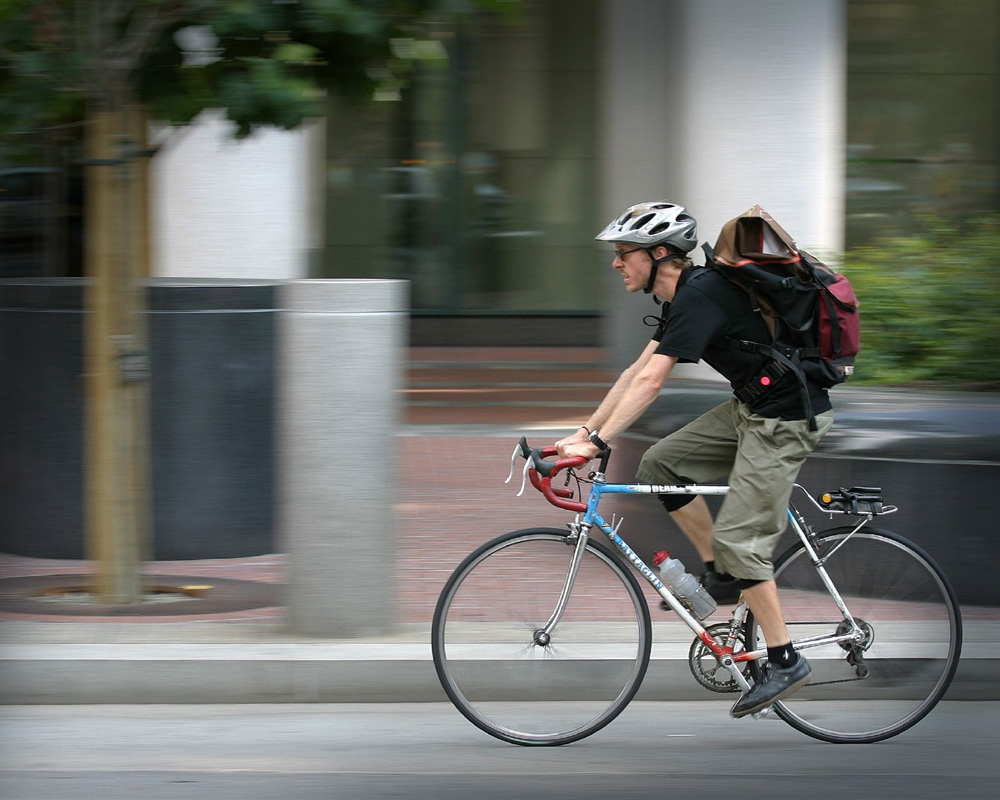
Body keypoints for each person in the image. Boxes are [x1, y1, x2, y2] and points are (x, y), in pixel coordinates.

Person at [556, 201, 834, 717]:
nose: (616, 264)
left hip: (786, 417)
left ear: (660, 254)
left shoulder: (702, 294)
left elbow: (652, 382)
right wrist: (584, 432)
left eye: (624, 255)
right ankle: (723, 574)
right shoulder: (683, 298)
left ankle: (785, 658)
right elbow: (635, 371)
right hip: (753, 406)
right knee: (662, 465)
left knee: (741, 539)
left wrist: (595, 445)